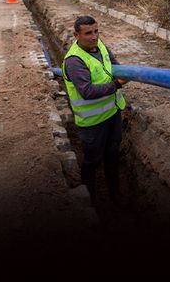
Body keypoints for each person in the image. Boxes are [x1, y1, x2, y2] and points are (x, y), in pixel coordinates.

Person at [62, 15, 129, 207]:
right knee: (92, 161)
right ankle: (90, 198)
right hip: (92, 123)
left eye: (96, 31)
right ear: (76, 35)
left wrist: (125, 73)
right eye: (88, 33)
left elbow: (115, 65)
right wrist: (116, 84)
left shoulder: (100, 46)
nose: (94, 37)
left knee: (112, 155)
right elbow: (87, 92)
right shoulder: (74, 61)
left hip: (113, 113)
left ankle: (114, 193)